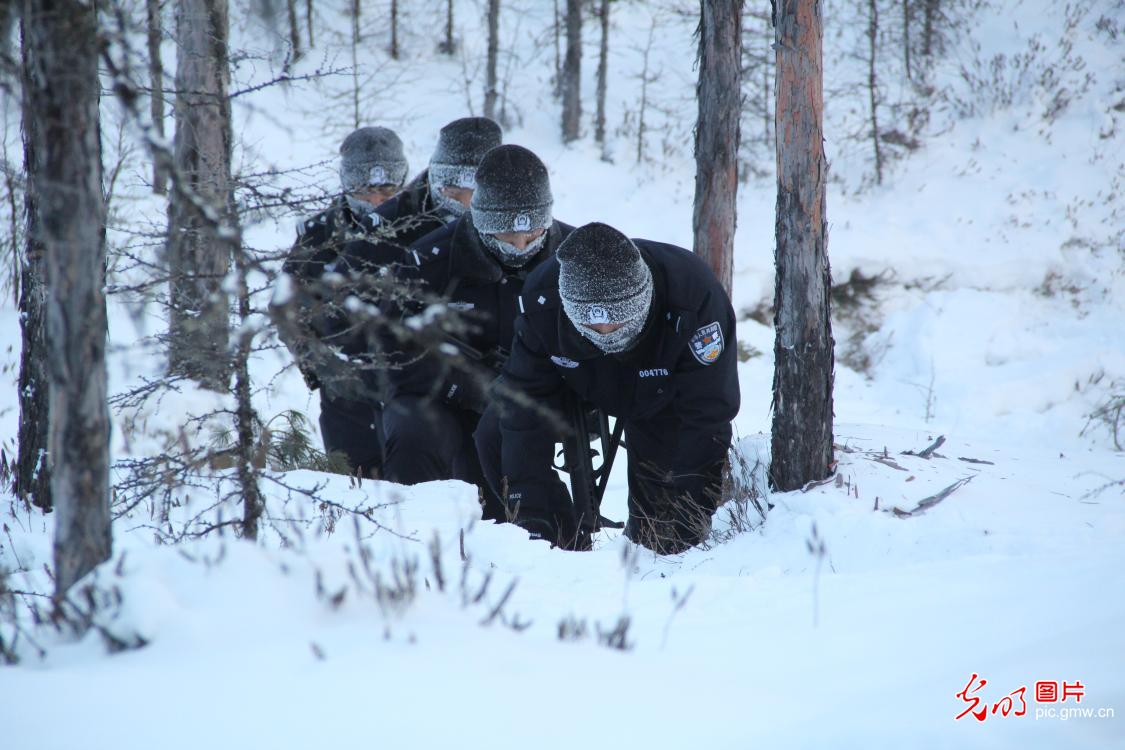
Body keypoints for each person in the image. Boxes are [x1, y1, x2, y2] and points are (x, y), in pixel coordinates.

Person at [474, 222, 740, 554]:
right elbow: (523, 405)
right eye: (591, 324)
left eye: (619, 322)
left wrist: (692, 509)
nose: (606, 333)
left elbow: (708, 414)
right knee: (496, 431)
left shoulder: (693, 294)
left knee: (665, 533)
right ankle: (551, 546)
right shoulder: (543, 296)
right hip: (573, 378)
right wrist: (531, 511)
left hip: (663, 393)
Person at [377, 145, 574, 516]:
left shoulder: (572, 256)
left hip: (533, 399)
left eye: (532, 235)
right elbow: (391, 349)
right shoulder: (429, 260)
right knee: (412, 430)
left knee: (508, 478)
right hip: (442, 398)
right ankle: (413, 529)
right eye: (506, 238)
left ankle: (550, 536)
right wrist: (466, 386)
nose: (520, 248)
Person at [272, 126, 409, 477]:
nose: (376, 200)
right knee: (355, 486)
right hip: (346, 395)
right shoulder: (318, 235)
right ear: (348, 184)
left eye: (387, 190)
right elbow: (286, 308)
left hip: (412, 389)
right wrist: (320, 365)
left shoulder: (421, 228)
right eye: (366, 190)